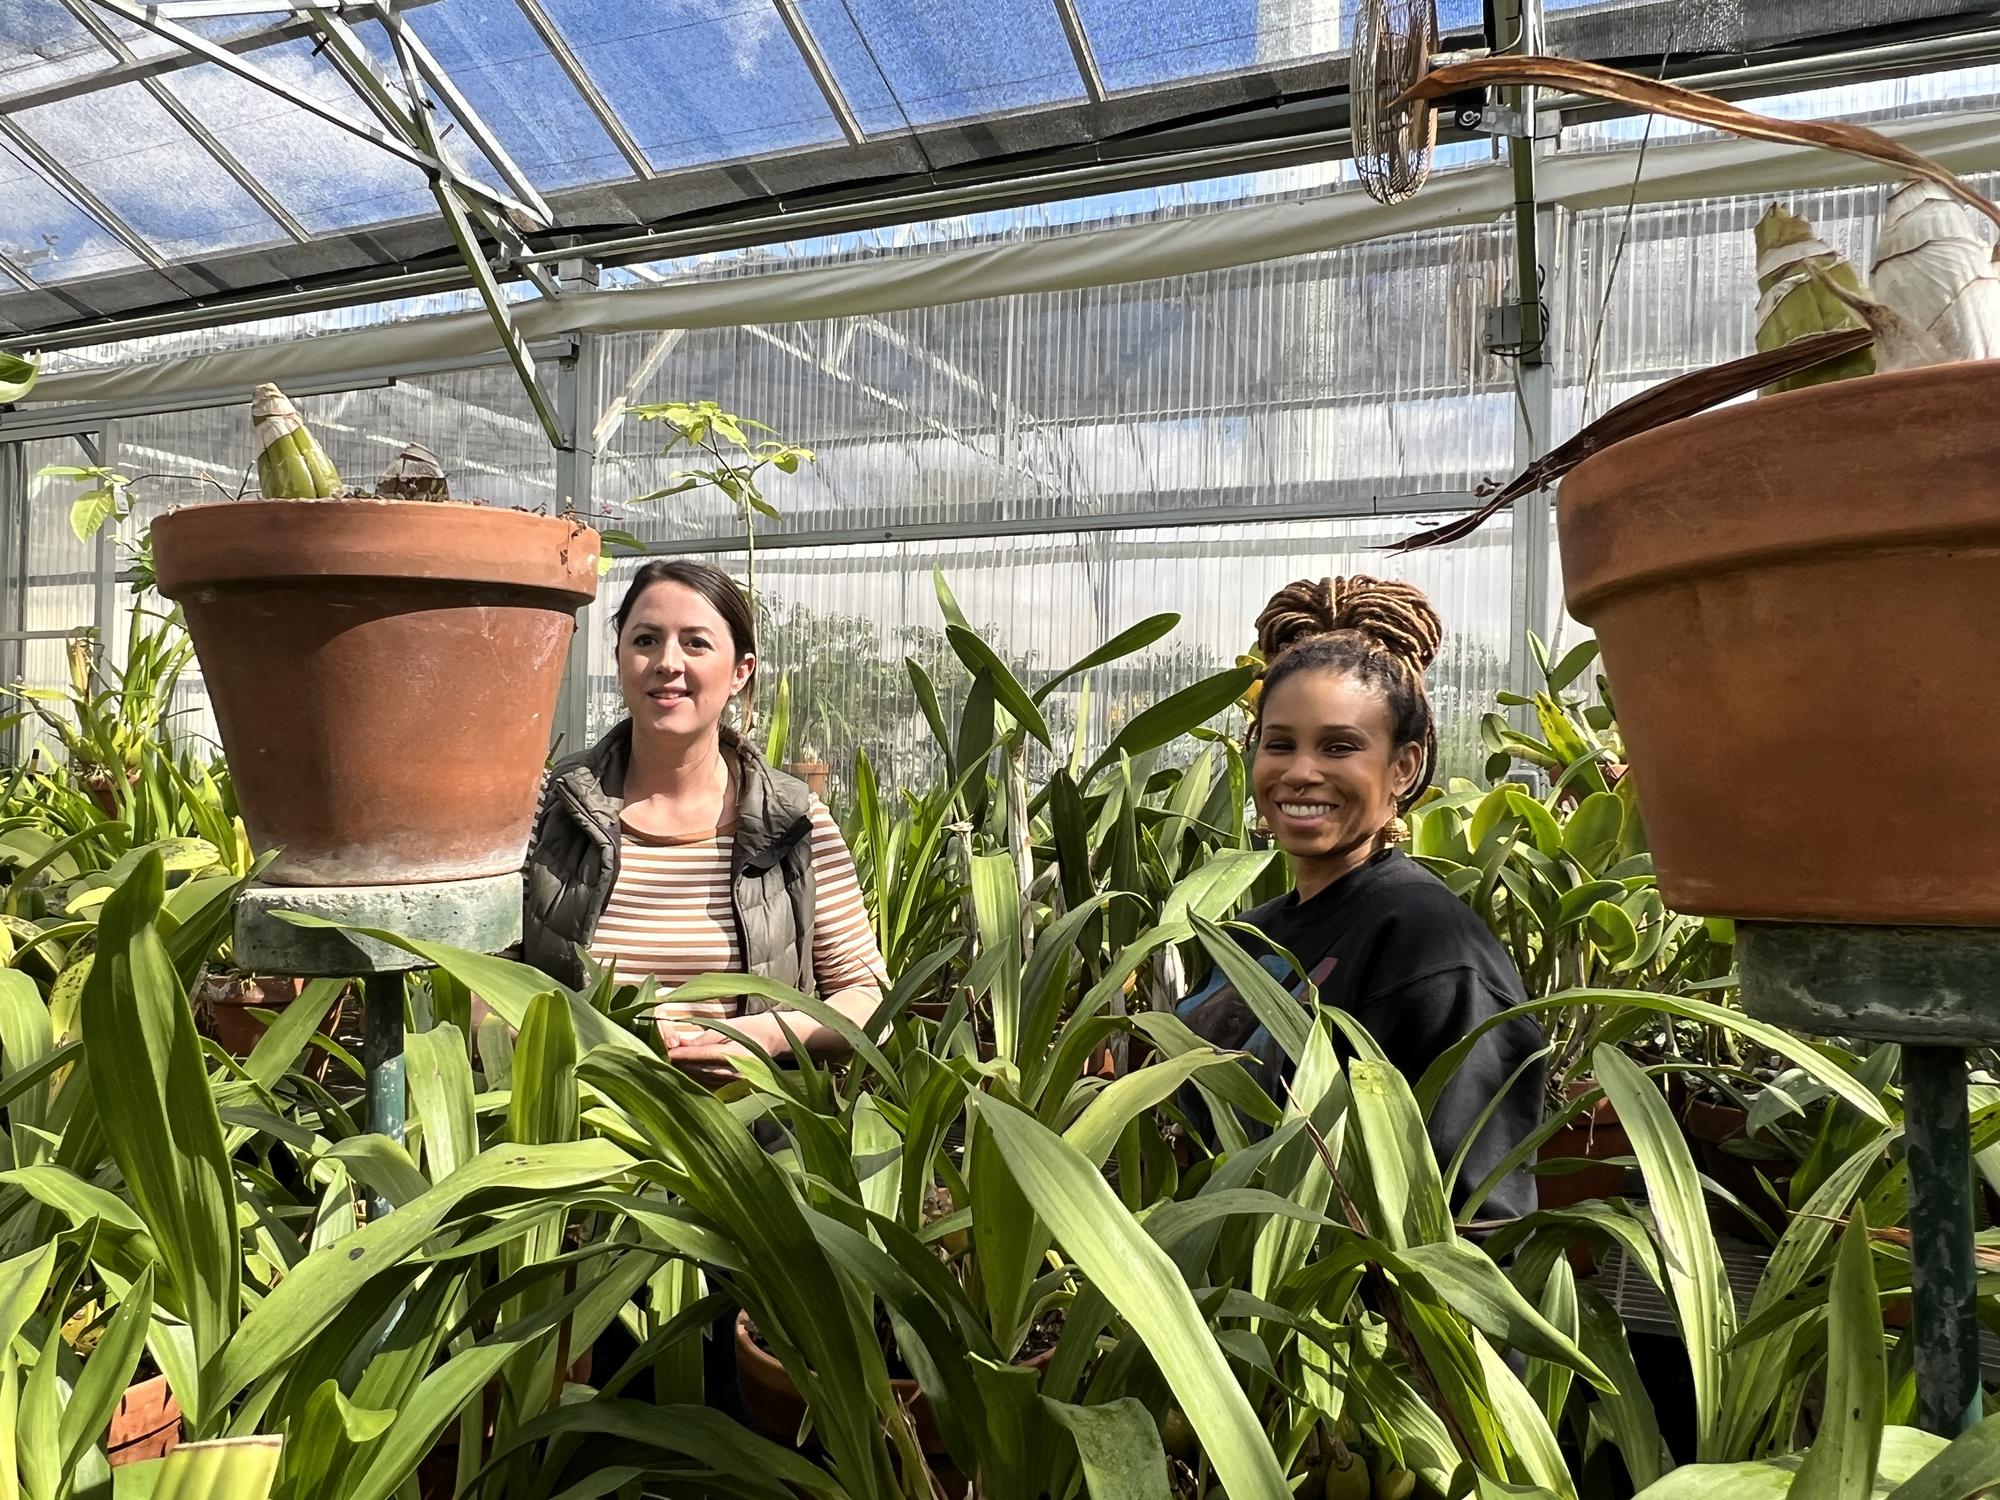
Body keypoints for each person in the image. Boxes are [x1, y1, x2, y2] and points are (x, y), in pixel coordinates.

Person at [1179, 575, 1544, 1223]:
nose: (1300, 771)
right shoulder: (1249, 935)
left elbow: (1481, 1213)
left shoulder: (1430, 945)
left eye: (1340, 746)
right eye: (1280, 743)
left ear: (1403, 767)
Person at [520, 560, 887, 1078]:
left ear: (741, 671)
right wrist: (579, 1035)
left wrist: (762, 1036)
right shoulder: (553, 809)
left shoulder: (794, 824)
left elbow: (867, 1000)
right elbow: (473, 986)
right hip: (575, 1125)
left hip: (746, 1136)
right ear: (620, 657)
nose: (668, 662)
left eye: (695, 643)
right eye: (646, 640)